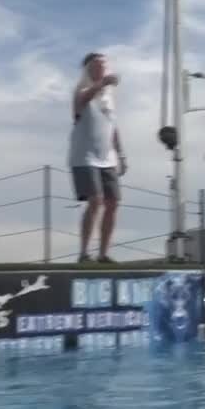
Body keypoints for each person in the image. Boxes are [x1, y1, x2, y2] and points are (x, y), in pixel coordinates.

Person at [69, 52, 127, 263]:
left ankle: (103, 253)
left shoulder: (108, 98)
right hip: (84, 157)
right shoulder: (82, 90)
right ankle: (84, 253)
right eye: (96, 67)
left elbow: (113, 128)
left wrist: (120, 154)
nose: (101, 70)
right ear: (87, 70)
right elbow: (82, 101)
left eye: (103, 66)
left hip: (107, 157)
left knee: (113, 202)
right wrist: (102, 83)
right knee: (95, 201)